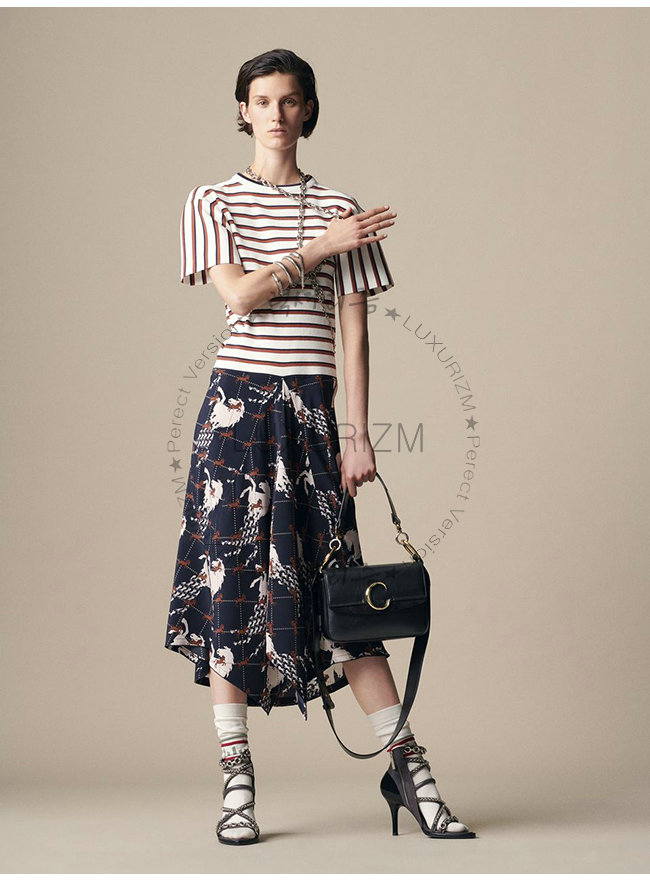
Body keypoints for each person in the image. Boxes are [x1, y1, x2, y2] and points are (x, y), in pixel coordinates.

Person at [165, 48, 475, 845]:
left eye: (290, 99)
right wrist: (316, 249)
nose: (276, 113)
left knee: (343, 595)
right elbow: (239, 296)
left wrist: (359, 436)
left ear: (308, 110)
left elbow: (355, 333)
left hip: (311, 416)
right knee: (231, 591)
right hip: (236, 415)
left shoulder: (342, 208)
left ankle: (409, 771)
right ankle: (237, 783)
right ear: (243, 110)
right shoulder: (212, 200)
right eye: (262, 100)